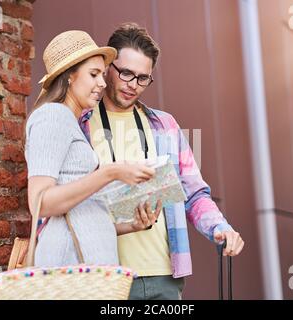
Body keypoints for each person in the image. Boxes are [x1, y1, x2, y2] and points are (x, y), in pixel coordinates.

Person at [79, 23, 245, 299]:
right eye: (126, 73)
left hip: (163, 277)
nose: (133, 85)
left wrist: (220, 228)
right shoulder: (80, 123)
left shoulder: (165, 125)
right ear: (108, 66)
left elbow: (192, 193)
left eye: (143, 78)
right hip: (105, 278)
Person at [25, 30, 161, 268]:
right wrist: (110, 172)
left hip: (88, 270)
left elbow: (82, 211)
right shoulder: (52, 116)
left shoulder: (71, 122)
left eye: (102, 74)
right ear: (70, 76)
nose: (102, 82)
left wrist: (132, 226)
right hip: (69, 268)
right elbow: (41, 203)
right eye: (94, 74)